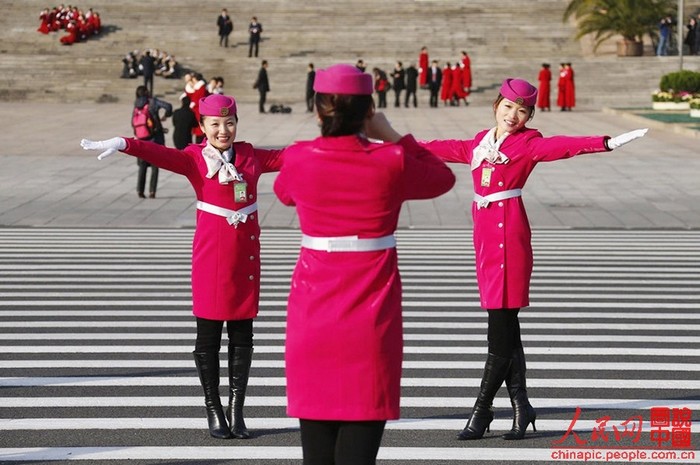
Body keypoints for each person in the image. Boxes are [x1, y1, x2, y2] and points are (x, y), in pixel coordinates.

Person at [419, 78, 647, 441]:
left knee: (499, 329)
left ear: (529, 116)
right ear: (496, 106)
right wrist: (392, 146)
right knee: (508, 328)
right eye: (508, 107)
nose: (513, 115)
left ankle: (482, 410)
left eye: (522, 111)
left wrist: (604, 142)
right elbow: (437, 148)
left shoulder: (528, 144)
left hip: (509, 236)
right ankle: (522, 407)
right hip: (484, 237)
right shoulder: (480, 143)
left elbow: (562, 146)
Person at [274, 63, 455, 465]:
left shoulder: (300, 158)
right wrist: (390, 134)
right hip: (370, 323)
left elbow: (284, 194)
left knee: (316, 456)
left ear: (319, 109)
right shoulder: (391, 159)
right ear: (369, 109)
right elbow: (443, 177)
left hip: (312, 315)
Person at [81, 93, 285, 440]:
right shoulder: (195, 158)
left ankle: (237, 410)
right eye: (216, 124)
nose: (224, 130)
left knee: (242, 336)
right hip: (212, 259)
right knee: (208, 337)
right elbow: (161, 154)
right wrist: (125, 143)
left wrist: (346, 142)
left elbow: (293, 156)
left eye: (230, 123)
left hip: (244, 261)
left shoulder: (250, 156)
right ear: (202, 127)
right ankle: (213, 408)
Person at [132, 85, 172, 198]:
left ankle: (140, 190)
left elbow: (133, 122)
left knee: (143, 166)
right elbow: (168, 106)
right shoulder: (152, 102)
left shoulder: (136, 105)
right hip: (155, 138)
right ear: (146, 92)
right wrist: (165, 116)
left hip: (141, 139)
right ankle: (152, 191)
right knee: (155, 166)